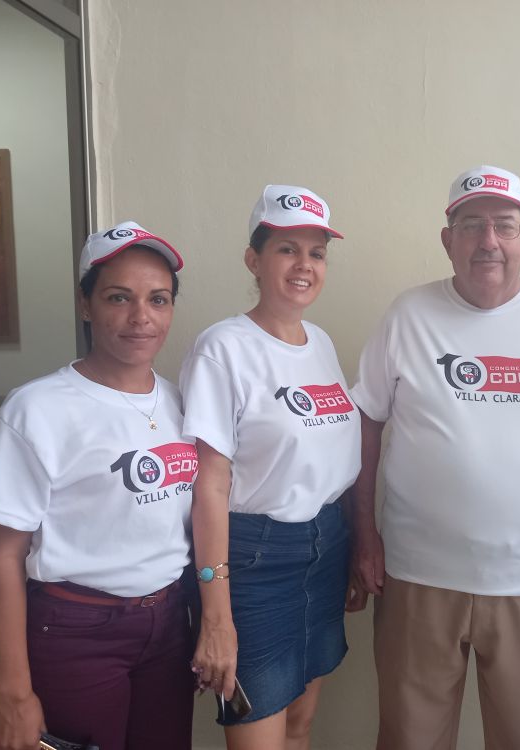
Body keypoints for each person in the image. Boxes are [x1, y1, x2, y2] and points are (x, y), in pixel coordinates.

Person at [349, 165, 520, 749]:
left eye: (504, 225)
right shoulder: (408, 315)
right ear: (447, 241)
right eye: (471, 225)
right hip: (416, 577)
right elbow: (365, 423)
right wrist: (363, 535)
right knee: (408, 741)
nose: (488, 241)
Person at [0, 221, 197, 750]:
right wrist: (12, 694)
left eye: (158, 299)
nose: (141, 317)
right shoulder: (37, 410)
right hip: (76, 631)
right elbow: (0, 560)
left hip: (168, 625)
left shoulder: (181, 402)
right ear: (85, 304)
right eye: (119, 297)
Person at [181, 184, 360, 750]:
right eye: (287, 248)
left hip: (326, 547)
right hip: (255, 561)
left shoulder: (323, 344)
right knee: (259, 737)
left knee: (300, 727)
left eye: (317, 252)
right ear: (254, 260)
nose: (304, 264)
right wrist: (216, 614)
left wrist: (351, 548)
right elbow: (207, 486)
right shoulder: (223, 348)